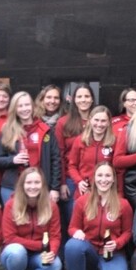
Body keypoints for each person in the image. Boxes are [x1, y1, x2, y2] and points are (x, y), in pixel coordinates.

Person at [64, 163, 132, 270]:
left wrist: (117, 243)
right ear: (94, 178)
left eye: (108, 175)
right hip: (90, 251)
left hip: (112, 254)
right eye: (99, 175)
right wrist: (77, 232)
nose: (103, 179)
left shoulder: (123, 204)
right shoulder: (82, 202)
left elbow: (128, 232)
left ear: (114, 179)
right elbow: (72, 227)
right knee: (72, 245)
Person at [0, 168, 62, 270]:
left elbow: (55, 236)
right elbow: (10, 238)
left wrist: (52, 251)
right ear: (22, 185)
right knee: (17, 251)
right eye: (28, 183)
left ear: (42, 185)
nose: (33, 186)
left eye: (36, 182)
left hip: (38, 256)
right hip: (15, 254)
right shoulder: (11, 205)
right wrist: (41, 245)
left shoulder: (51, 206)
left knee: (55, 266)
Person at [0, 91, 61, 205]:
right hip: (12, 186)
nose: (24, 109)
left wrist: (54, 188)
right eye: (20, 106)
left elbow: (56, 160)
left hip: (40, 186)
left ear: (33, 106)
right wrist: (13, 160)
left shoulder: (45, 130)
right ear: (14, 109)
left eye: (27, 105)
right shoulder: (7, 130)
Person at [55, 84, 95, 239]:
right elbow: (59, 154)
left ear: (92, 99)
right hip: (71, 179)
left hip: (96, 179)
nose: (83, 100)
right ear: (73, 100)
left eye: (86, 96)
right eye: (79, 97)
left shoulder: (99, 120)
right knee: (72, 219)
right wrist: (63, 182)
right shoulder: (63, 122)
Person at [67, 106, 115, 201]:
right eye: (96, 120)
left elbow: (117, 168)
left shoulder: (114, 142)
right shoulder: (80, 141)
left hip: (107, 192)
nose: (99, 124)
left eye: (103, 121)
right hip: (84, 192)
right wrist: (79, 181)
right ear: (90, 120)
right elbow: (72, 166)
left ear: (109, 122)